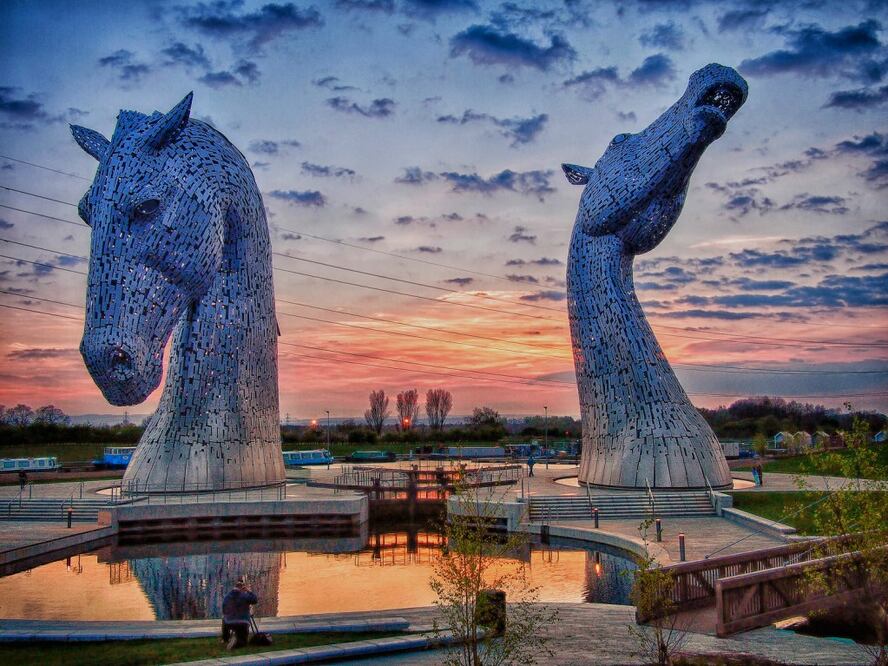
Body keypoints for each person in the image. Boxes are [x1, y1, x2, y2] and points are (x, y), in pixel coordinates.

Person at [222, 577, 258, 650]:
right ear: (242, 588)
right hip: (243, 622)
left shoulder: (226, 597)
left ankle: (226, 639)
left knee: (224, 619)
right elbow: (255, 600)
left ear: (234, 588)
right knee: (244, 642)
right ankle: (237, 641)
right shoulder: (245, 596)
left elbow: (224, 610)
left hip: (229, 623)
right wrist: (249, 591)